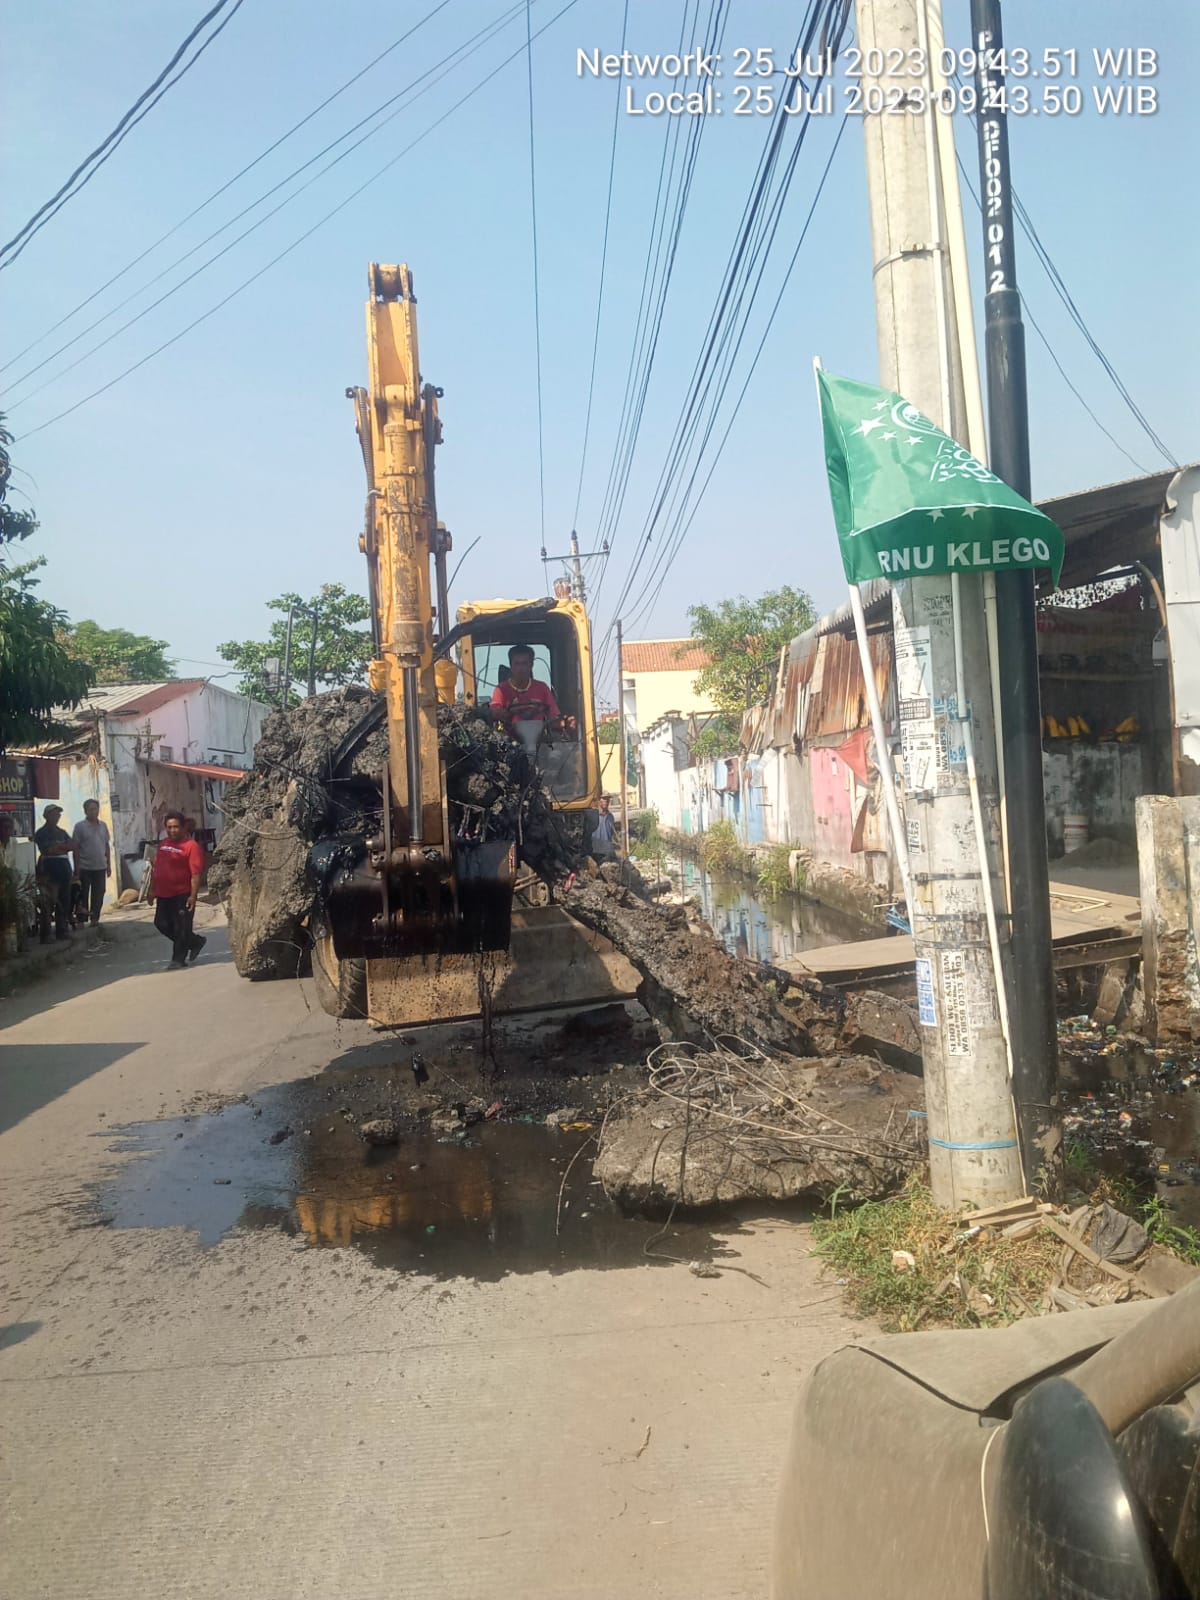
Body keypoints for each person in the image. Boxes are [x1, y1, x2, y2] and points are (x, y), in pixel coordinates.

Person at [151, 810, 206, 970]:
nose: (172, 830)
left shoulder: (191, 846)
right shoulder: (163, 844)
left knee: (181, 927)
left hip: (182, 894)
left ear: (183, 828)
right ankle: (195, 941)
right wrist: (152, 890)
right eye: (169, 827)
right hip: (163, 893)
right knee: (161, 924)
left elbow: (196, 874)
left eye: (175, 827)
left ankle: (178, 959)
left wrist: (193, 896)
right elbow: (157, 868)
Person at [490, 644, 562, 749]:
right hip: (510, 743)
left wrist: (564, 722)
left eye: (524, 663)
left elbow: (553, 717)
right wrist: (510, 711)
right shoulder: (501, 690)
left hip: (540, 744)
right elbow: (494, 714)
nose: (521, 668)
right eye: (517, 664)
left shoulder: (542, 688)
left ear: (531, 665)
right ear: (511, 665)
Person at [34, 803, 74, 941]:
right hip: (49, 871)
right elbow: (47, 850)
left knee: (64, 903)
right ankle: (46, 934)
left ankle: (62, 931)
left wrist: (59, 848)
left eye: (58, 814)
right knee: (48, 903)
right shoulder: (41, 833)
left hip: (64, 870)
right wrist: (62, 848)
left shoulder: (62, 832)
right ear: (46, 816)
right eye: (53, 813)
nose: (57, 816)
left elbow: (73, 845)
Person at [71, 800, 111, 929]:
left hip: (100, 866)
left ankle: (95, 918)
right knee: (83, 894)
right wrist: (76, 868)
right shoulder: (80, 827)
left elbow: (106, 845)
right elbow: (75, 848)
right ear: (85, 811)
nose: (94, 811)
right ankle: (82, 919)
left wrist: (109, 864)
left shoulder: (103, 826)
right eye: (91, 809)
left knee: (99, 893)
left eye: (95, 808)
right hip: (85, 866)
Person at [590, 794, 617, 861]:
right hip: (595, 851)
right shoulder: (593, 816)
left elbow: (611, 834)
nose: (606, 802)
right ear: (598, 801)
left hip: (607, 851)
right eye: (604, 799)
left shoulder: (610, 817)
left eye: (607, 800)